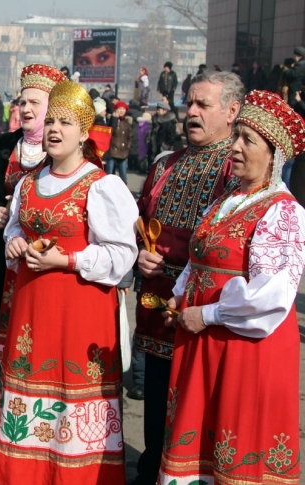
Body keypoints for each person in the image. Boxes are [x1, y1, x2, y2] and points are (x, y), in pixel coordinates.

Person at [0, 79, 138, 484]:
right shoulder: (28, 182)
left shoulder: (102, 186)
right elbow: (12, 229)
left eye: (66, 122)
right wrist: (15, 243)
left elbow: (123, 257)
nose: (54, 129)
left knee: (74, 393)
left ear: (85, 132)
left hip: (81, 311)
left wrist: (68, 259)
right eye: (50, 120)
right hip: (32, 310)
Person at [159, 90, 305, 485]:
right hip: (204, 337)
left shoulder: (282, 211)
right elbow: (199, 256)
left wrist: (206, 313)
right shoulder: (230, 199)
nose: (235, 147)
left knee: (235, 446)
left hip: (244, 348)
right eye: (236, 135)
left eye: (248, 140)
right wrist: (180, 290)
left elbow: (270, 297)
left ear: (273, 155)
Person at [131, 70, 244, 485]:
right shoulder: (164, 164)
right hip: (155, 307)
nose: (190, 113)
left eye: (203, 105)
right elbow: (140, 220)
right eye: (189, 104)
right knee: (156, 399)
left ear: (232, 111)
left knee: (198, 404)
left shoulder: (237, 169)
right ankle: (150, 469)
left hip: (202, 313)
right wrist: (138, 253)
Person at [0, 64, 65, 456]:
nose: (25, 109)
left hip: (43, 271)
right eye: (22, 101)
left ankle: (34, 443)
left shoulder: (70, 153)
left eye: (34, 103)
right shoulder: (1, 149)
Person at [105, 100, 133, 183]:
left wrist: (128, 147)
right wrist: (114, 118)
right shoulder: (111, 120)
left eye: (123, 109)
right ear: (115, 109)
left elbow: (130, 137)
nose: (121, 111)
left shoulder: (127, 122)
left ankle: (124, 192)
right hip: (112, 150)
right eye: (119, 108)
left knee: (123, 174)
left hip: (123, 151)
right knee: (108, 174)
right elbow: (111, 131)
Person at [148, 101, 178, 165]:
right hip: (154, 147)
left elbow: (171, 137)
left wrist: (164, 145)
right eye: (157, 109)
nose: (157, 111)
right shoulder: (156, 120)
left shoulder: (169, 122)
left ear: (165, 110)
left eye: (159, 110)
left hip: (163, 148)